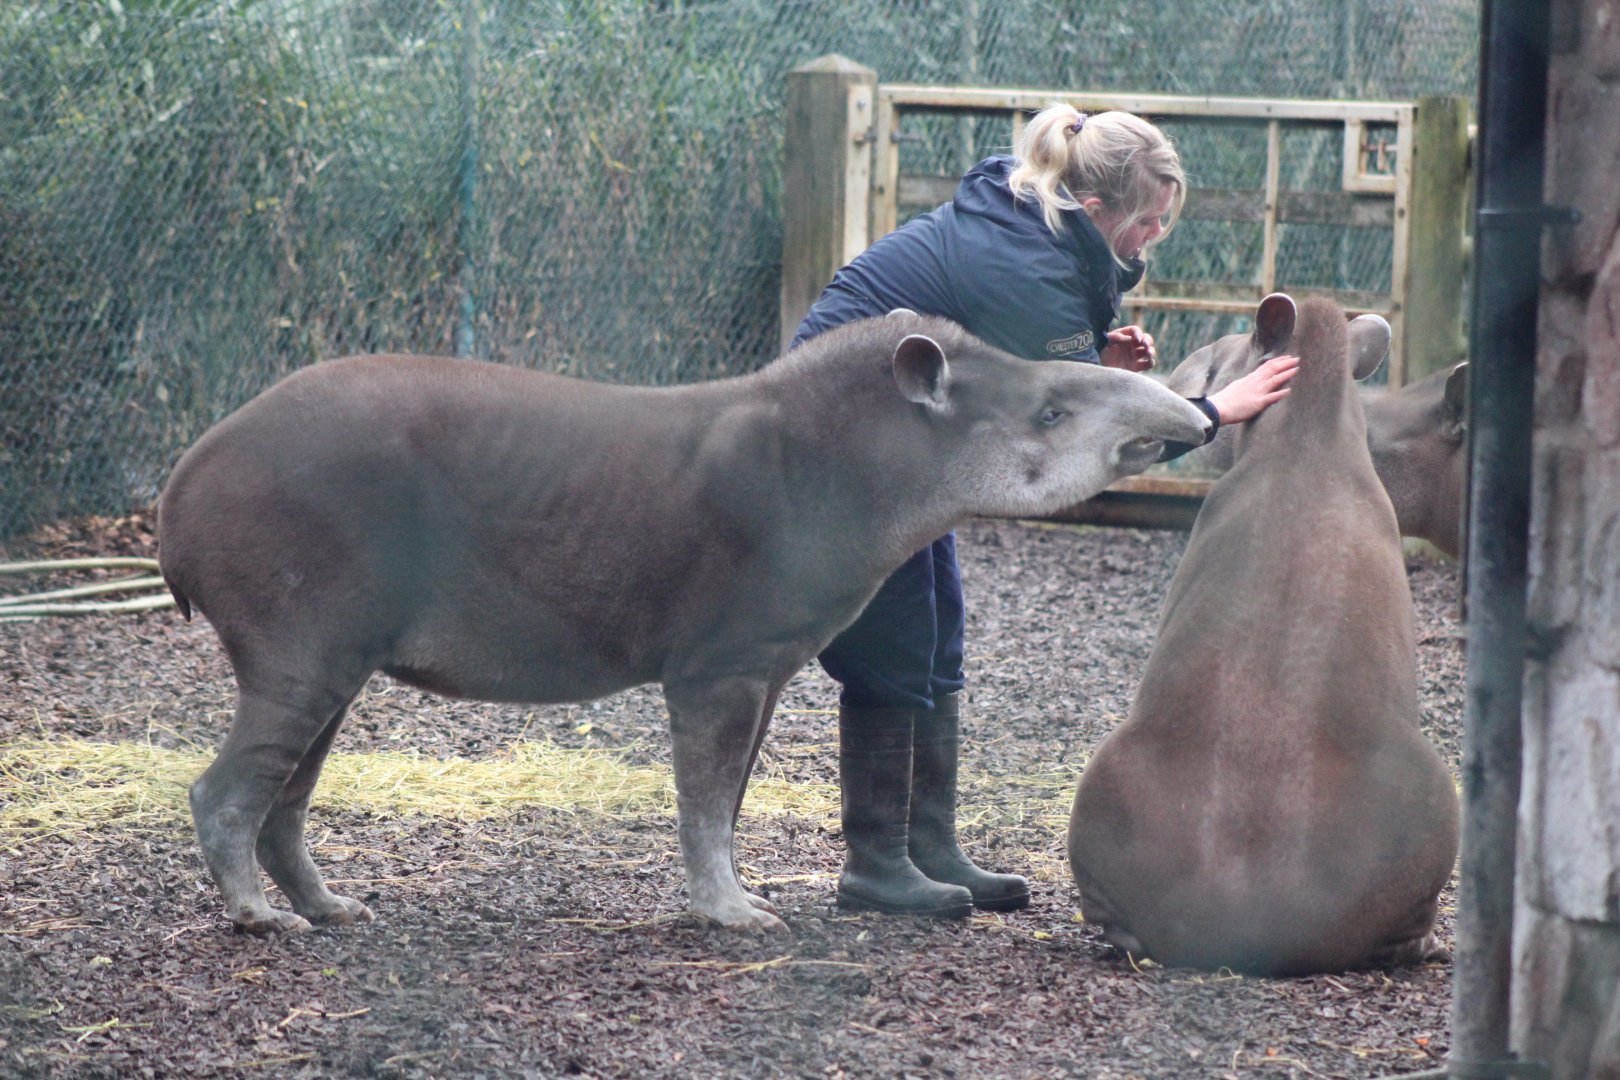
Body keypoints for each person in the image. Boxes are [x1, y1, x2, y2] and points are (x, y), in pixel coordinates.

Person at [789, 104, 1301, 919]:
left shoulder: (1037, 224)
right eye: (1147, 223)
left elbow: (1021, 374)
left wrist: (1091, 359)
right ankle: (874, 864)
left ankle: (929, 845)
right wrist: (1211, 411)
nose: (1153, 241)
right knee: (894, 633)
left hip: (907, 443)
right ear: (1096, 212)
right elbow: (1065, 438)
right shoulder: (1027, 264)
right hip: (842, 446)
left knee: (938, 624)